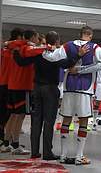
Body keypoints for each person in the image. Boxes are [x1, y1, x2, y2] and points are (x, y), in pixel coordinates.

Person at [42, 26, 101, 165]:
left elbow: (50, 57)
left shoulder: (68, 45)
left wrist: (46, 48)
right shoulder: (94, 47)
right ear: (90, 36)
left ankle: (63, 155)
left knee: (66, 120)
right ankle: (79, 156)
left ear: (80, 35)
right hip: (85, 89)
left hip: (68, 88)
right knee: (83, 121)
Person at [13, 31, 88, 160]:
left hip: (36, 88)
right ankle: (47, 153)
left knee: (36, 122)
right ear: (57, 41)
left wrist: (15, 50)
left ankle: (35, 152)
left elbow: (21, 62)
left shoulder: (39, 53)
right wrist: (78, 55)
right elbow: (68, 64)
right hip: (50, 90)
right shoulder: (56, 54)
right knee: (48, 122)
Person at [1, 29, 42, 155]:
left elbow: (9, 43)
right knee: (20, 116)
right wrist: (49, 47)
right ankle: (15, 144)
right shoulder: (27, 48)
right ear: (33, 37)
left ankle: (7, 143)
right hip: (22, 86)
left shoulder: (15, 46)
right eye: (37, 38)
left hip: (12, 85)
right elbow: (36, 50)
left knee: (13, 115)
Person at [0, 28, 23, 151]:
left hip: (4, 84)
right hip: (9, 85)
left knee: (7, 114)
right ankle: (9, 142)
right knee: (11, 114)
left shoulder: (5, 50)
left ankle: (6, 141)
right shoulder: (12, 51)